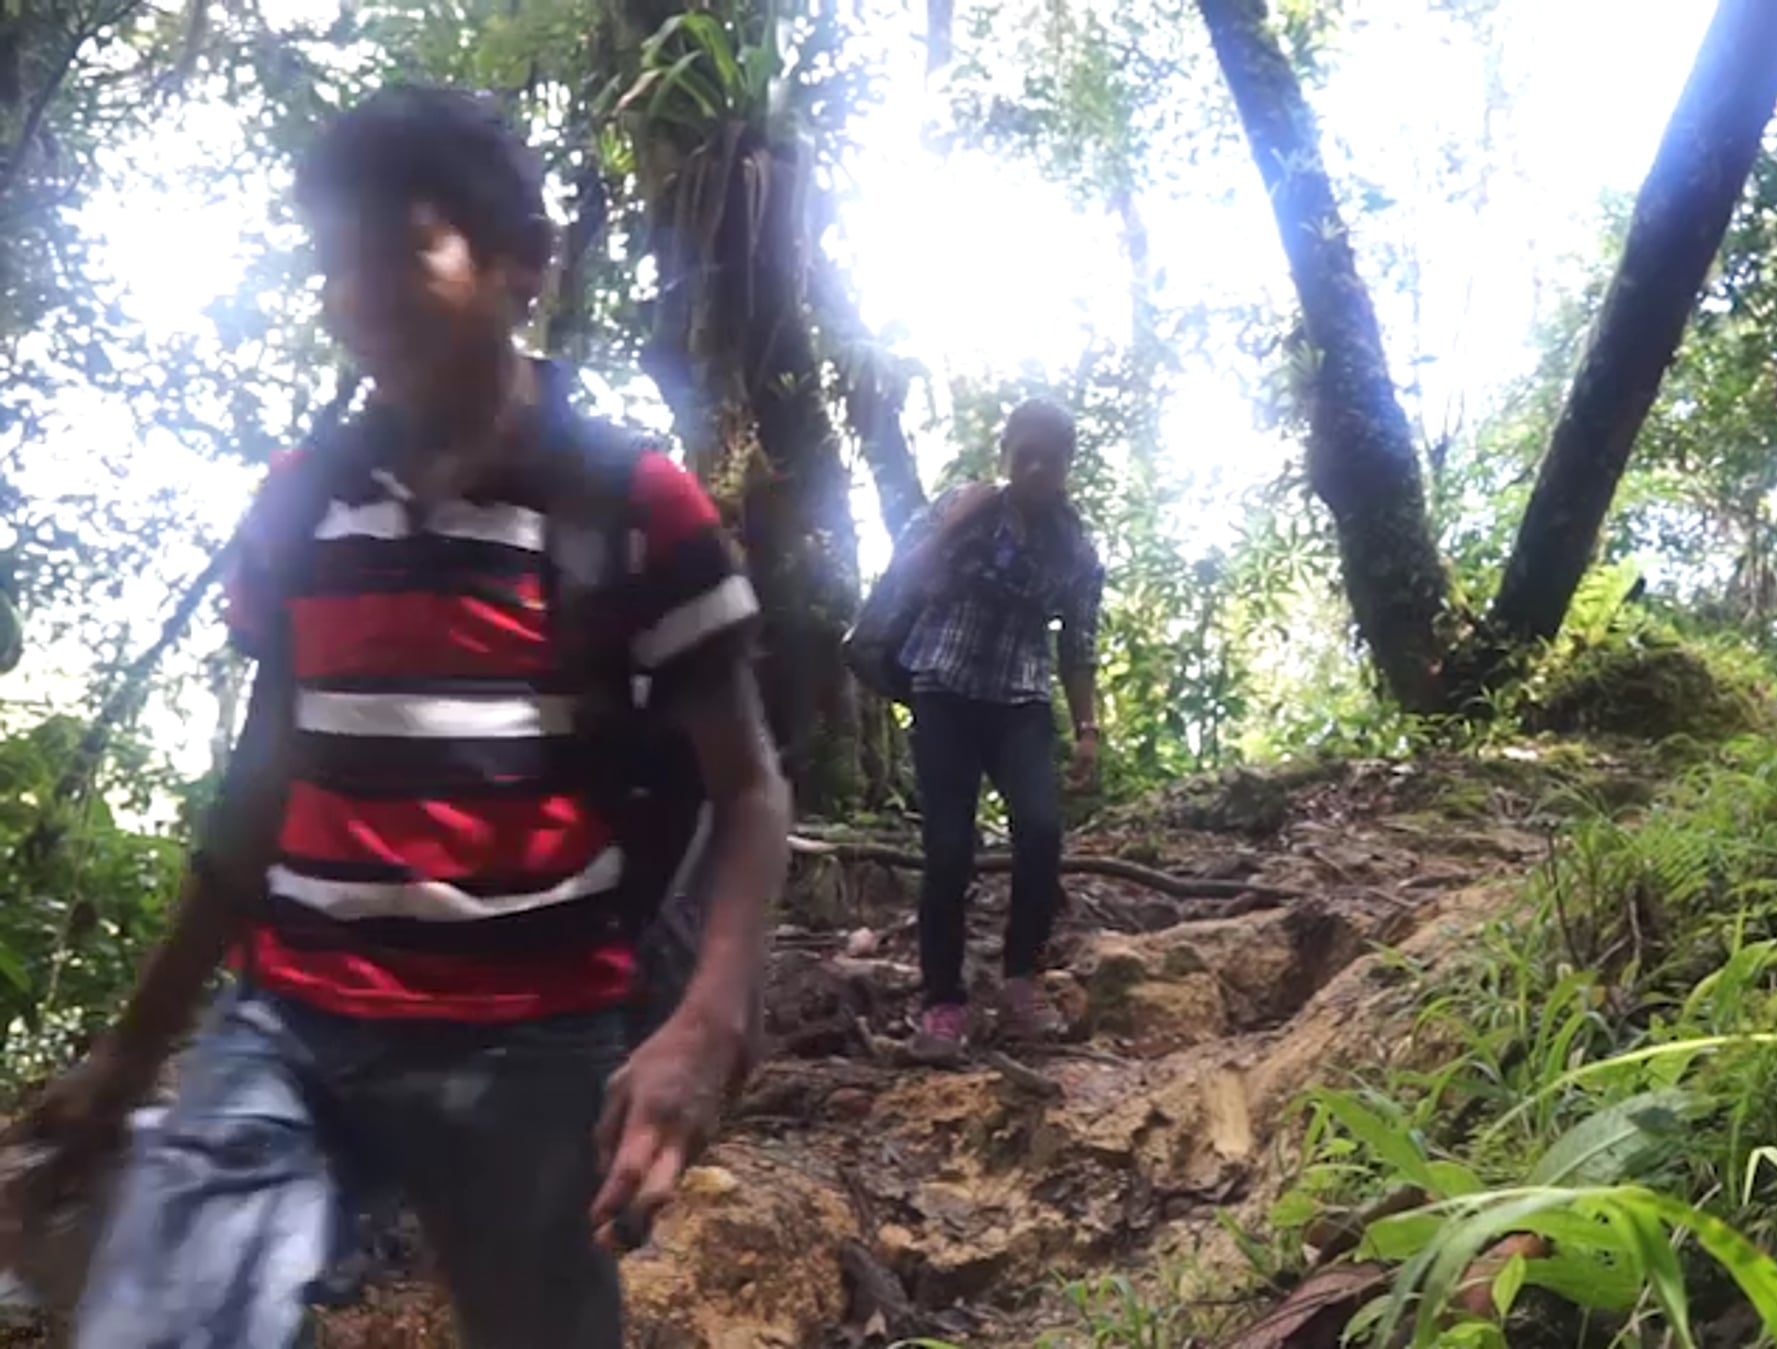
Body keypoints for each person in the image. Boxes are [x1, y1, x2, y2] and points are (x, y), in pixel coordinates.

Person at [13, 85, 790, 1347]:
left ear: (523, 263)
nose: (360, 295)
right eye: (336, 263)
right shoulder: (303, 500)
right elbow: (266, 779)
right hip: (290, 1023)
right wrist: (132, 1049)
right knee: (166, 1320)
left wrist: (710, 1019)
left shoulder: (631, 504)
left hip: (532, 1037)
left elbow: (749, 787)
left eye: (402, 251)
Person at [889, 400, 1104, 1065]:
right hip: (944, 689)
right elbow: (903, 578)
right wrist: (955, 524)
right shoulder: (964, 506)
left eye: (1051, 458)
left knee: (1040, 830)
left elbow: (1078, 645)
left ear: (1067, 465)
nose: (1036, 468)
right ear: (1005, 451)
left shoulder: (1074, 547)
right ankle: (942, 1000)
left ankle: (1020, 980)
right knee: (948, 847)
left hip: (1020, 699)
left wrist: (1089, 729)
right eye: (1025, 454)